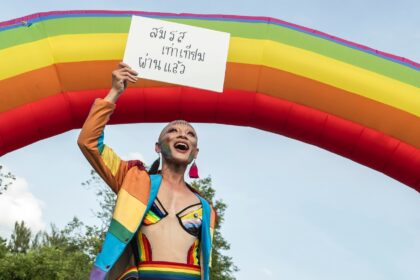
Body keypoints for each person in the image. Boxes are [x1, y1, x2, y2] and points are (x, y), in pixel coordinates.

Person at [77, 62, 216, 280]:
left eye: (190, 134)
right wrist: (114, 92)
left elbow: (205, 263)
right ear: (158, 147)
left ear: (195, 153)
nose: (182, 135)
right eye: (173, 131)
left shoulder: (206, 207)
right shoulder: (133, 179)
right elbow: (89, 142)